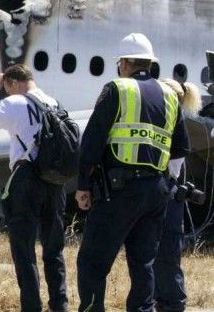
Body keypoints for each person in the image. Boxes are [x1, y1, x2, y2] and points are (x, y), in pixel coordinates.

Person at [75, 33, 190, 312]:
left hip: (119, 191)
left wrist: (83, 186)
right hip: (156, 193)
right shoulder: (171, 97)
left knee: (92, 262)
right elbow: (181, 147)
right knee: (143, 264)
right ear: (150, 64)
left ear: (124, 63)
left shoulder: (117, 89)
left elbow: (91, 142)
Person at [0, 64, 68, 312]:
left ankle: (31, 306)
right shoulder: (53, 103)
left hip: (26, 177)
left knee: (23, 248)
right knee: (53, 248)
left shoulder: (16, 102)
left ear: (12, 83)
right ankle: (60, 304)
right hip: (55, 180)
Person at [154, 78, 201, 312]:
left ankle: (171, 304)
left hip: (167, 197)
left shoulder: (173, 125)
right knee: (165, 257)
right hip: (169, 197)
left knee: (167, 257)